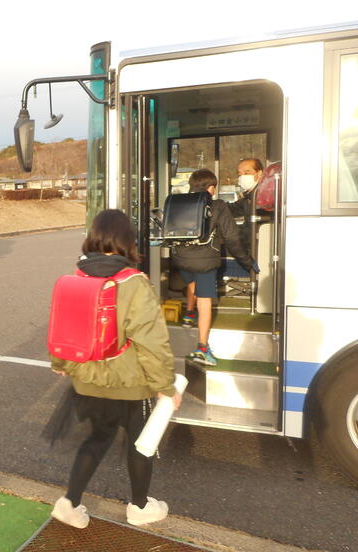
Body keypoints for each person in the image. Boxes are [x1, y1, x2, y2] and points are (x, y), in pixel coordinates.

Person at [47, 209, 181, 529]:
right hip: (129, 382)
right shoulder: (134, 283)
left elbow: (62, 325)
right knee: (140, 443)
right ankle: (140, 507)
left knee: (97, 438)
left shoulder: (76, 277)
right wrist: (166, 386)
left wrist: (60, 363)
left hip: (86, 378)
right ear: (127, 241)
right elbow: (152, 342)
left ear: (93, 237)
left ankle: (69, 503)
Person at [172, 169, 253, 366]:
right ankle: (202, 348)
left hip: (180, 258)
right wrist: (246, 261)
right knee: (205, 301)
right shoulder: (217, 206)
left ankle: (189, 314)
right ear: (211, 188)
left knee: (193, 284)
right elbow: (232, 237)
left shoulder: (177, 202)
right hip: (205, 261)